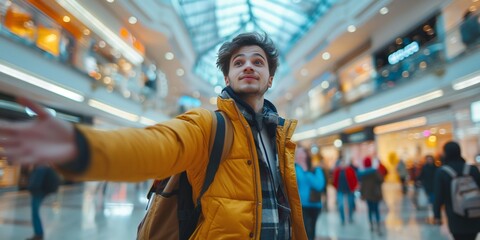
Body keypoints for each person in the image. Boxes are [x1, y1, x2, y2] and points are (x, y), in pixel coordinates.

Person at [0, 32, 307, 239]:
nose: (248, 67)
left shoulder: (280, 137)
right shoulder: (208, 125)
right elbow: (157, 145)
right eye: (238, 63)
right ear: (226, 77)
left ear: (270, 79)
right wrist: (83, 146)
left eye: (258, 61)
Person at [433, 141, 480, 240]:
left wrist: (437, 216)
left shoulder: (442, 172)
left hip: (455, 217)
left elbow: (438, 196)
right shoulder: (472, 169)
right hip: (474, 214)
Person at [294, 146, 326, 240]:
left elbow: (319, 185)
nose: (299, 155)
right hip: (301, 206)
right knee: (305, 231)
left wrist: (306, 172)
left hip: (315, 205)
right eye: (297, 153)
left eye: (301, 153)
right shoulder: (294, 169)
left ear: (306, 155)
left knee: (311, 230)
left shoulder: (316, 169)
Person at [26, 164, 60, 240]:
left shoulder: (40, 168)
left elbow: (36, 182)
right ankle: (38, 233)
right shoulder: (42, 167)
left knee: (35, 213)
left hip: (38, 193)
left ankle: (38, 234)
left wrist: (31, 188)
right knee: (35, 213)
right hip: (41, 192)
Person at [358, 157, 384, 235]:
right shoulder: (375, 172)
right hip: (375, 194)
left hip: (367, 195)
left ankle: (371, 225)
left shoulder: (362, 174)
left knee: (369, 209)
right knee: (376, 210)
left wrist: (362, 194)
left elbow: (361, 186)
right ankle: (378, 225)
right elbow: (381, 180)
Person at [332, 157, 358, 225]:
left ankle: (350, 217)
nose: (343, 165)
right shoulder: (337, 171)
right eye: (341, 163)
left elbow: (354, 179)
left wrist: (354, 187)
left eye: (344, 163)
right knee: (340, 205)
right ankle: (342, 219)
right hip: (340, 190)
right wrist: (335, 187)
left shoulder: (350, 170)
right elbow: (334, 180)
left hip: (349, 190)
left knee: (350, 204)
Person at [417, 154, 437, 220]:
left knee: (433, 200)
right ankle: (429, 213)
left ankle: (434, 213)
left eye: (430, 159)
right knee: (428, 199)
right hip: (427, 186)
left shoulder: (436, 168)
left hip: (434, 186)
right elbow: (421, 175)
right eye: (428, 159)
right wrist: (418, 180)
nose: (429, 161)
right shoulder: (424, 167)